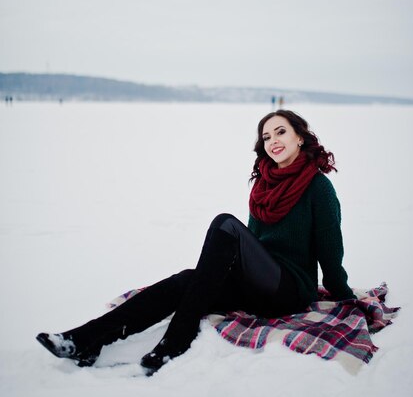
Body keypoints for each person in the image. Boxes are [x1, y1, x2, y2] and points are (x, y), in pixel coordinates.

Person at [36, 110, 355, 375]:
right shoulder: (263, 185)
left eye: (281, 132)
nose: (273, 141)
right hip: (257, 285)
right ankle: (84, 340)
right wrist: (217, 278)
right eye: (267, 136)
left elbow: (330, 251)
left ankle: (176, 341)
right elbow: (254, 244)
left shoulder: (319, 188)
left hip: (289, 290)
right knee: (187, 281)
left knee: (224, 224)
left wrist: (343, 294)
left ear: (300, 137)